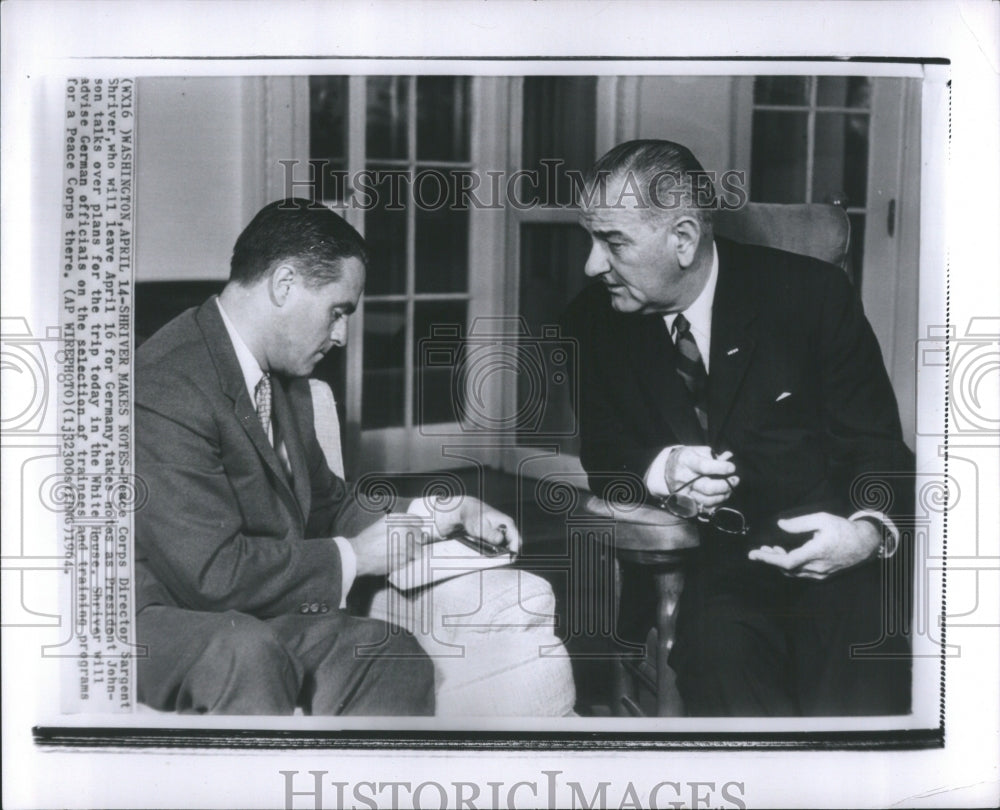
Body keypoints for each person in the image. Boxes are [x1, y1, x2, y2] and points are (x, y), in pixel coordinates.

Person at [135, 199, 567, 716]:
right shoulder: (167, 383)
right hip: (169, 620)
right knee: (248, 655)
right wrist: (354, 557)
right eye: (338, 311)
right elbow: (209, 576)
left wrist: (438, 514)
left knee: (392, 654)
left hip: (252, 618)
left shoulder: (284, 383)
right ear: (284, 284)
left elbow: (329, 506)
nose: (341, 336)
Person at [563, 140, 914, 716]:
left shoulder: (811, 297)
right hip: (706, 571)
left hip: (828, 553)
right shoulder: (590, 322)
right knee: (725, 665)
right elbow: (603, 452)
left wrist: (868, 531)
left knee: (863, 661)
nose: (591, 264)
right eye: (591, 238)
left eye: (613, 242)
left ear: (682, 239)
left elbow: (875, 445)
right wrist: (662, 469)